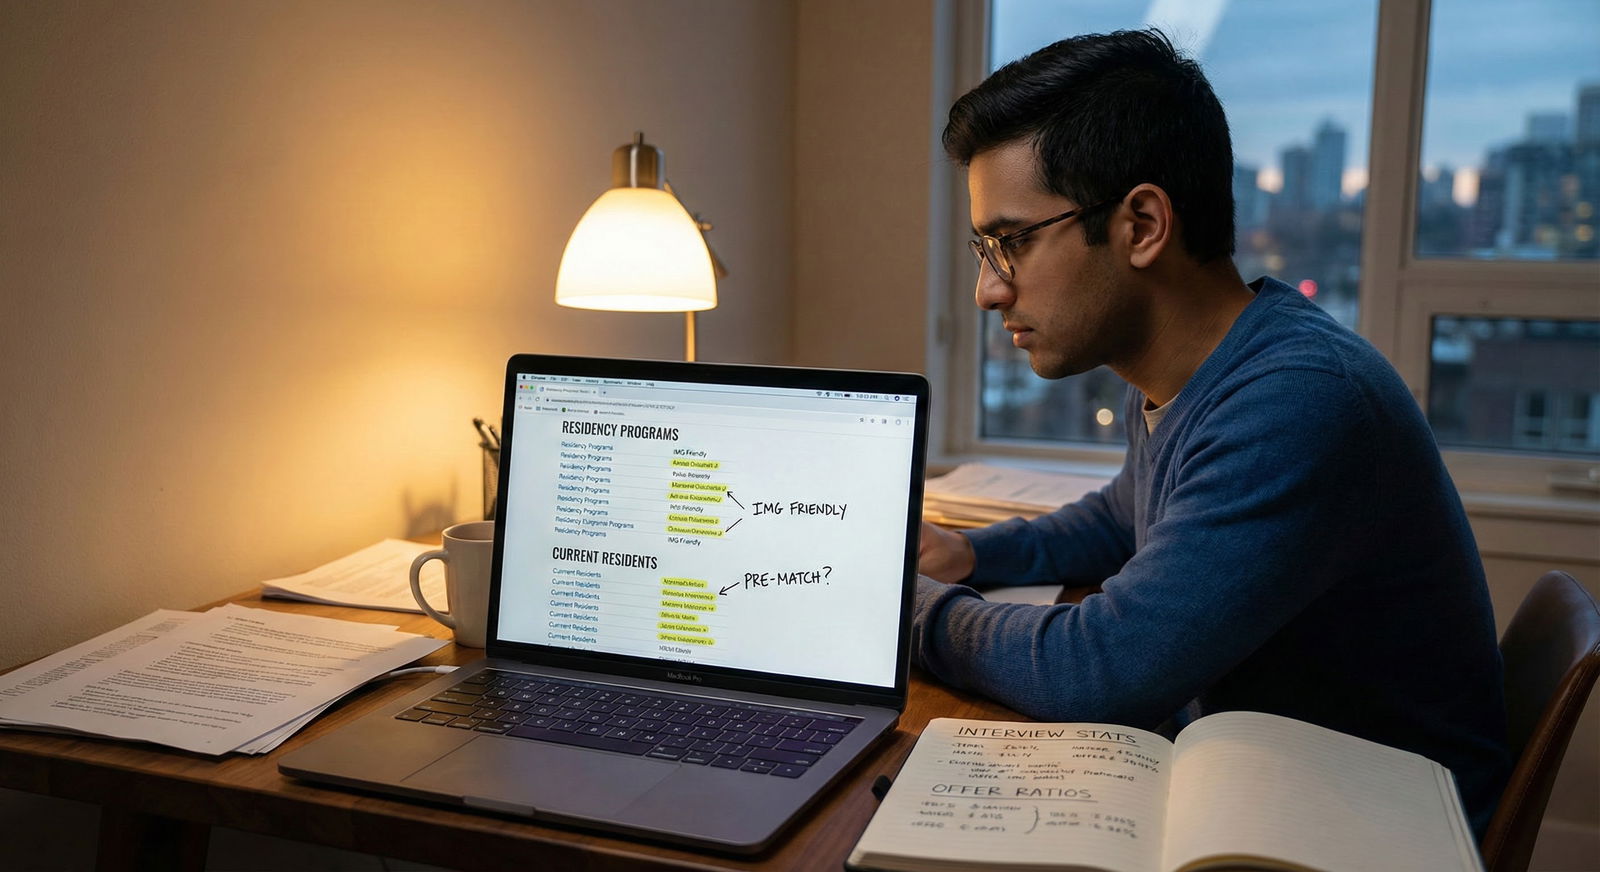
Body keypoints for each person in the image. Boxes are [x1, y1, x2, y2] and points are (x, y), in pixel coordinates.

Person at [913, 28, 1509, 836]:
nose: (988, 289)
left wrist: (912, 612)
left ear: (1143, 225)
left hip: (1370, 830)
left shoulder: (1298, 401)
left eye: (1011, 242)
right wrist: (978, 555)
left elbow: (1104, 670)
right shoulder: (1192, 367)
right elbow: (1126, 513)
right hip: (1274, 780)